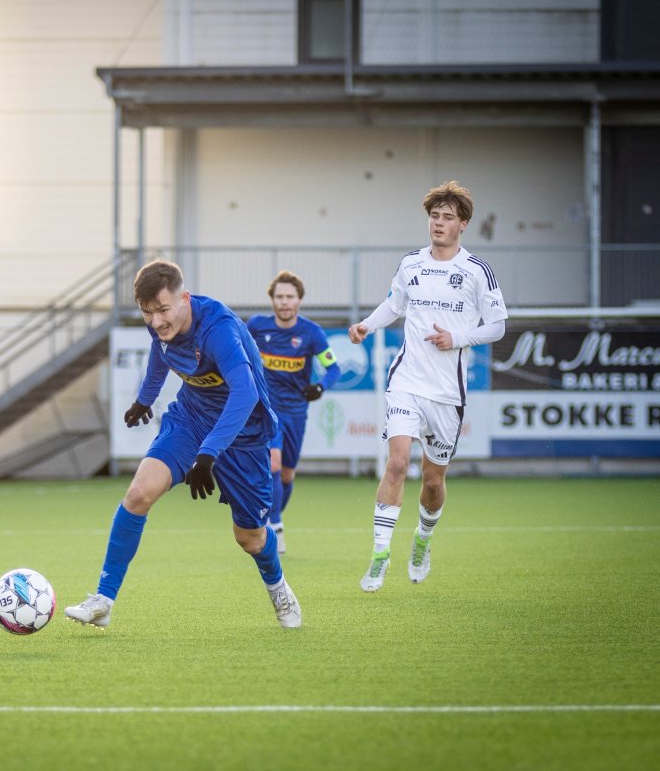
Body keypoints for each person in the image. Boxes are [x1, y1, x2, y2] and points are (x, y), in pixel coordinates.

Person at [65, 260, 301, 629]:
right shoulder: (160, 324)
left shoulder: (219, 330)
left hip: (243, 432)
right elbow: (160, 351)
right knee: (138, 494)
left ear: (185, 299)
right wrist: (146, 398)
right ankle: (104, 600)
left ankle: (278, 587)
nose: (156, 321)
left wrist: (208, 453)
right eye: (147, 313)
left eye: (163, 310)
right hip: (191, 419)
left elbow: (245, 393)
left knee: (250, 538)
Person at [348, 180, 507, 592]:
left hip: (447, 393)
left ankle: (422, 539)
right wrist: (367, 324)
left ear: (463, 224)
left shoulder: (476, 271)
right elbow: (394, 305)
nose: (438, 223)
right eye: (434, 216)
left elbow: (497, 327)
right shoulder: (411, 264)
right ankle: (380, 555)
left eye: (447, 217)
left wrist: (457, 338)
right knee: (397, 463)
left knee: (433, 481)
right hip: (407, 381)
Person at [247, 271, 341, 553]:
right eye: (279, 297)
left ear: (299, 300)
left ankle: (274, 515)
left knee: (286, 475)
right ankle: (275, 528)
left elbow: (334, 368)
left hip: (296, 411)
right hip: (266, 408)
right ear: (272, 300)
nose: (284, 302)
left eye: (290, 297)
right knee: (273, 464)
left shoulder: (311, 333)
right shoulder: (256, 326)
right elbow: (236, 350)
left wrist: (321, 387)